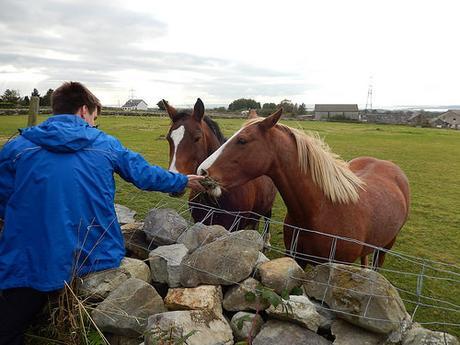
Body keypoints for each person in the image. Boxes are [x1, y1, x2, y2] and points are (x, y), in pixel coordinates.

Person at [0, 81, 205, 345]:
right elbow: (142, 174)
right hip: (93, 253)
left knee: (9, 328)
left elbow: (4, 197)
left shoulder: (18, 147)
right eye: (95, 117)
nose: (94, 124)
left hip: (30, 255)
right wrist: (180, 181)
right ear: (84, 110)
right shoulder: (106, 145)